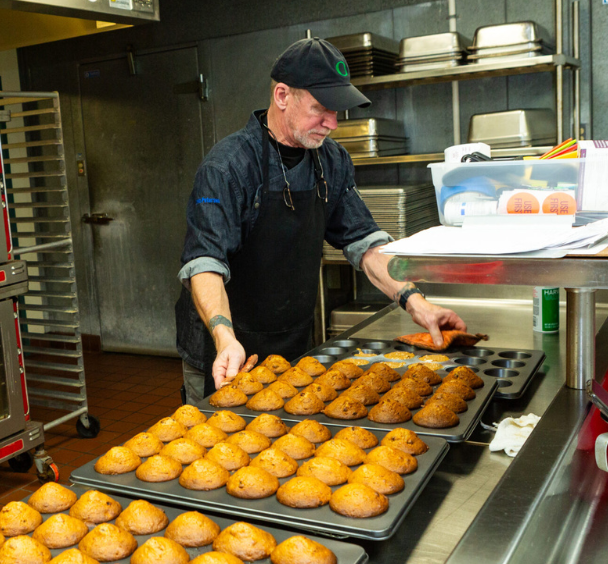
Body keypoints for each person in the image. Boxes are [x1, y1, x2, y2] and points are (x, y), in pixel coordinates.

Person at [174, 38, 466, 405]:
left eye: (337, 111)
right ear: (282, 95)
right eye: (321, 109)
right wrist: (224, 336)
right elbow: (204, 263)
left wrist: (418, 304)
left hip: (294, 341)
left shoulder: (332, 160)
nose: (333, 124)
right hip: (226, 350)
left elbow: (366, 244)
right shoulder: (227, 167)